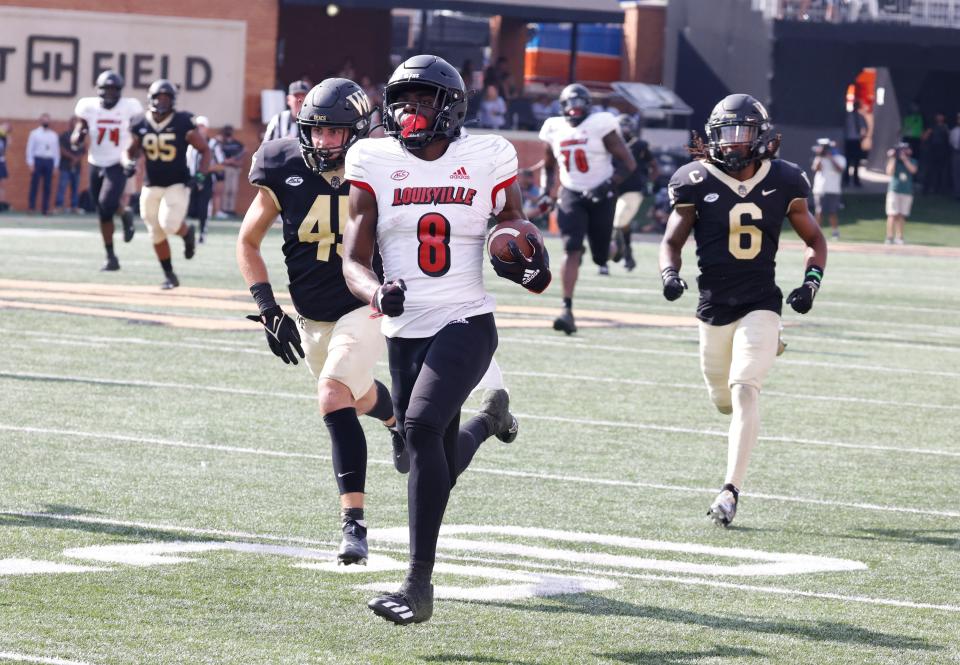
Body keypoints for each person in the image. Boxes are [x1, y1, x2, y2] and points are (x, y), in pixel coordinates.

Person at [342, 54, 550, 625]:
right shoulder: (372, 157)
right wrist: (375, 292)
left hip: (465, 318)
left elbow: (512, 219)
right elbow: (354, 257)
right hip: (403, 326)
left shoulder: (487, 155)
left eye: (424, 99)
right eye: (403, 99)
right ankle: (488, 421)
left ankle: (417, 586)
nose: (411, 110)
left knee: (421, 429)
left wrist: (519, 248)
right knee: (420, 460)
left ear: (452, 106)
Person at [238, 77, 408, 568]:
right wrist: (268, 307)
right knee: (354, 395)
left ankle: (354, 525)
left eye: (336, 133)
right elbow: (248, 242)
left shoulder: (381, 164)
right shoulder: (282, 163)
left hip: (366, 302)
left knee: (333, 393)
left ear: (356, 133)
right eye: (316, 131)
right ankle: (398, 422)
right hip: (312, 314)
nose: (324, 142)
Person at [658, 93, 827, 528]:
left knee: (744, 388)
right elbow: (672, 242)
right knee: (721, 399)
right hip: (713, 306)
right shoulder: (693, 180)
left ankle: (729, 490)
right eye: (726, 135)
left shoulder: (786, 180)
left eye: (742, 134)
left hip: (760, 302)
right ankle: (765, 353)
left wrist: (811, 284)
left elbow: (816, 241)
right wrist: (668, 274)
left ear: (761, 138)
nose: (733, 144)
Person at [538, 83, 636, 334]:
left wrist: (606, 187)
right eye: (570, 105)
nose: (574, 110)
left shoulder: (601, 124)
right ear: (562, 107)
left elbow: (628, 163)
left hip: (602, 193)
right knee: (571, 248)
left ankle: (617, 248)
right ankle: (566, 309)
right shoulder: (553, 128)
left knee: (600, 255)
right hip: (571, 193)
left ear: (588, 106)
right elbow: (549, 166)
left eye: (579, 104)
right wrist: (546, 192)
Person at [124, 79, 206, 289]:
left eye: (166, 98)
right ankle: (169, 275)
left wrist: (200, 175)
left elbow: (205, 150)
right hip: (151, 184)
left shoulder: (182, 121)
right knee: (155, 230)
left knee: (168, 224)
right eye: (158, 97)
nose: (162, 102)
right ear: (150, 99)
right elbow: (130, 151)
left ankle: (187, 233)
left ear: (173, 100)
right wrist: (128, 163)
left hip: (177, 182)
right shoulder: (140, 121)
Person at [72, 70, 144, 270]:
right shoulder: (88, 106)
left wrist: (133, 159)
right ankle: (111, 255)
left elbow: (139, 137)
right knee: (103, 211)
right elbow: (78, 130)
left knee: (106, 202)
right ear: (98, 89)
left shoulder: (130, 107)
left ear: (120, 90)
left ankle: (122, 214)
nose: (110, 93)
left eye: (114, 89)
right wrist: (77, 137)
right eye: (106, 88)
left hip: (118, 161)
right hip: (95, 160)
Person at [610, 114, 657, 272]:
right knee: (622, 223)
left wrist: (649, 182)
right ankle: (628, 255)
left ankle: (616, 253)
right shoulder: (610, 145)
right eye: (621, 126)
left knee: (618, 220)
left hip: (633, 189)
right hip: (613, 189)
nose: (624, 129)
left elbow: (654, 167)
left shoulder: (640, 145)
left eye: (626, 126)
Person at [186, 116, 224, 242]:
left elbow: (220, 165)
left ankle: (202, 233)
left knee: (203, 207)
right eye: (197, 126)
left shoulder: (213, 144)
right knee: (188, 208)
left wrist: (204, 170)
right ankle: (186, 234)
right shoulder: (189, 142)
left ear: (207, 128)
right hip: (190, 177)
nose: (199, 129)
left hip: (205, 179)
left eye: (202, 126)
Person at [811, 138, 846, 240]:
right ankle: (816, 233)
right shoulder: (819, 158)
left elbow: (840, 169)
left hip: (833, 189)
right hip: (820, 188)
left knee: (832, 211)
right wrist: (819, 156)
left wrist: (831, 158)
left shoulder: (840, 158)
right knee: (819, 211)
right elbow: (815, 168)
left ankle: (835, 233)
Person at [884, 142, 918, 245]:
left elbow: (913, 170)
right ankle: (889, 237)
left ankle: (900, 237)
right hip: (894, 190)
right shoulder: (894, 161)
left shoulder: (912, 161)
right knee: (892, 214)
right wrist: (893, 158)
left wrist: (904, 159)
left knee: (902, 215)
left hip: (906, 191)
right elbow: (889, 172)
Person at [25, 113, 60, 215]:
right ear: (40, 121)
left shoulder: (53, 135)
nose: (46, 122)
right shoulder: (34, 133)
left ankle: (45, 209)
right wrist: (30, 163)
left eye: (47, 120)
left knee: (48, 186)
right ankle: (31, 207)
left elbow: (56, 151)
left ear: (49, 122)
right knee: (34, 185)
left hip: (49, 161)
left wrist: (55, 166)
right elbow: (29, 149)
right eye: (44, 120)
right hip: (38, 160)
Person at [56, 118, 85, 213]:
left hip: (77, 166)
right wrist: (72, 157)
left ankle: (74, 206)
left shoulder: (81, 136)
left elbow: (84, 150)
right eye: (74, 122)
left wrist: (77, 159)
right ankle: (59, 206)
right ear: (70, 124)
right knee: (62, 186)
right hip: (65, 165)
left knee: (75, 187)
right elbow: (61, 149)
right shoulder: (64, 135)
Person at [218, 125, 245, 216]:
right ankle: (224, 209)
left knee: (233, 189)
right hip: (225, 168)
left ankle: (231, 209)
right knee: (226, 189)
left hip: (235, 168)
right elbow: (220, 157)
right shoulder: (221, 144)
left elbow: (242, 155)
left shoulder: (238, 144)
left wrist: (236, 162)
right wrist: (228, 161)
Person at [921, 112, 951, 196]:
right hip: (932, 151)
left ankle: (937, 189)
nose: (939, 117)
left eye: (941, 116)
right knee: (929, 170)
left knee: (940, 171)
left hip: (942, 152)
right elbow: (923, 137)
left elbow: (949, 139)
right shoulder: (931, 126)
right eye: (938, 116)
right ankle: (925, 189)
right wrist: (928, 132)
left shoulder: (946, 127)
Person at [842, 100, 867, 187]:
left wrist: (862, 137)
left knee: (856, 161)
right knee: (847, 161)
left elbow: (865, 127)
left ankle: (856, 180)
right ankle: (846, 179)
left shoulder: (860, 117)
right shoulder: (847, 116)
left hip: (856, 141)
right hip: (848, 140)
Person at [950, 112, 960, 200]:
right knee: (956, 174)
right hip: (957, 153)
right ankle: (957, 194)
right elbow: (952, 143)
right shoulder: (954, 131)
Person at [0, 121, 9, 211]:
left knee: (2, 184)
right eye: (4, 126)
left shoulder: (5, 138)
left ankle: (1, 204)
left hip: (1, 162)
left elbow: (4, 150)